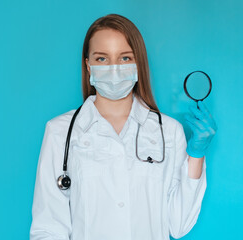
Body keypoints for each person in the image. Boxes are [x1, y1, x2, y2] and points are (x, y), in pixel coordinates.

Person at [29, 13, 217, 240]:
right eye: (102, 59)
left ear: (138, 63)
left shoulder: (168, 131)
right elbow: (48, 228)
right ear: (88, 66)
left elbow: (179, 224)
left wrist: (196, 155)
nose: (114, 68)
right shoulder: (60, 131)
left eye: (125, 58)